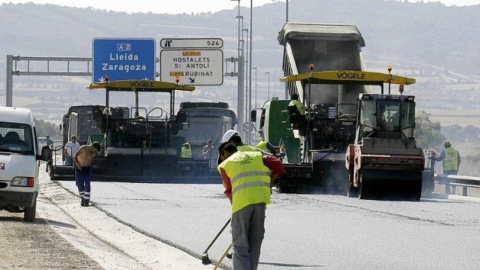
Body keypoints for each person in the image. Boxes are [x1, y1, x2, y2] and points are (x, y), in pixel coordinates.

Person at [217, 142, 285, 270]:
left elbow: (229, 191)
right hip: (260, 201)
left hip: (241, 204)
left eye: (221, 157)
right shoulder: (257, 155)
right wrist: (269, 184)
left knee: (240, 246)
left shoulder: (226, 164)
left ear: (225, 153)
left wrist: (234, 210)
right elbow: (277, 165)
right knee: (254, 245)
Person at [73, 142, 101, 207]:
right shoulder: (83, 148)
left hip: (87, 169)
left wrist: (89, 165)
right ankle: (83, 198)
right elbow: (75, 156)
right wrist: (79, 165)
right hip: (79, 168)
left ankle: (86, 201)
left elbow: (92, 160)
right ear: (93, 147)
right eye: (96, 150)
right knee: (79, 184)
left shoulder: (93, 153)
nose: (95, 152)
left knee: (87, 183)